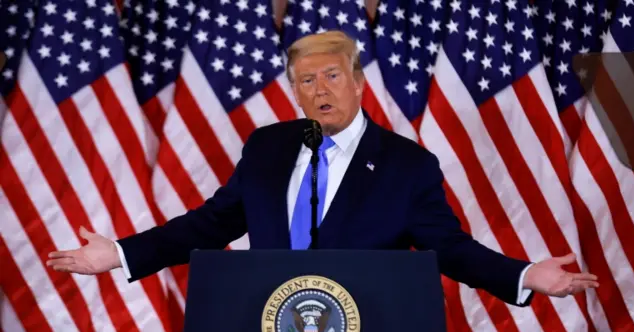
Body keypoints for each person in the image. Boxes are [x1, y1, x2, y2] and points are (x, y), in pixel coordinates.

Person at [47, 30, 598, 306]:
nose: (320, 90)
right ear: (294, 93)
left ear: (358, 82)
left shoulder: (408, 164)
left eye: (333, 76)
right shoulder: (266, 147)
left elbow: (448, 248)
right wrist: (118, 254)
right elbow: (209, 223)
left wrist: (525, 275)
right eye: (306, 82)